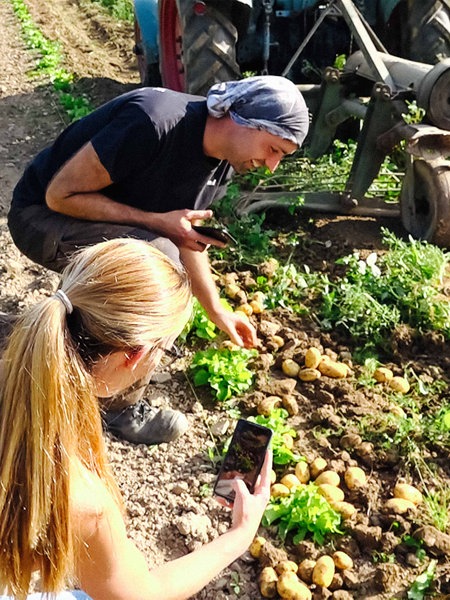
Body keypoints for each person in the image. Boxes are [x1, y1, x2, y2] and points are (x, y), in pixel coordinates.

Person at [8, 75, 309, 445]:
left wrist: (217, 310)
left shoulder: (223, 162)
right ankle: (116, 408)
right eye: (274, 148)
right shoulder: (154, 121)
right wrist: (156, 222)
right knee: (158, 261)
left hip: (96, 225)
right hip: (40, 219)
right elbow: (60, 195)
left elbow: (184, 236)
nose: (271, 165)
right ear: (241, 119)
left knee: (163, 254)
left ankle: (49, 343)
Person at [0, 238, 272, 600]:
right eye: (165, 348)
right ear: (134, 355)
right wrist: (239, 535)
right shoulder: (80, 498)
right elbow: (141, 595)